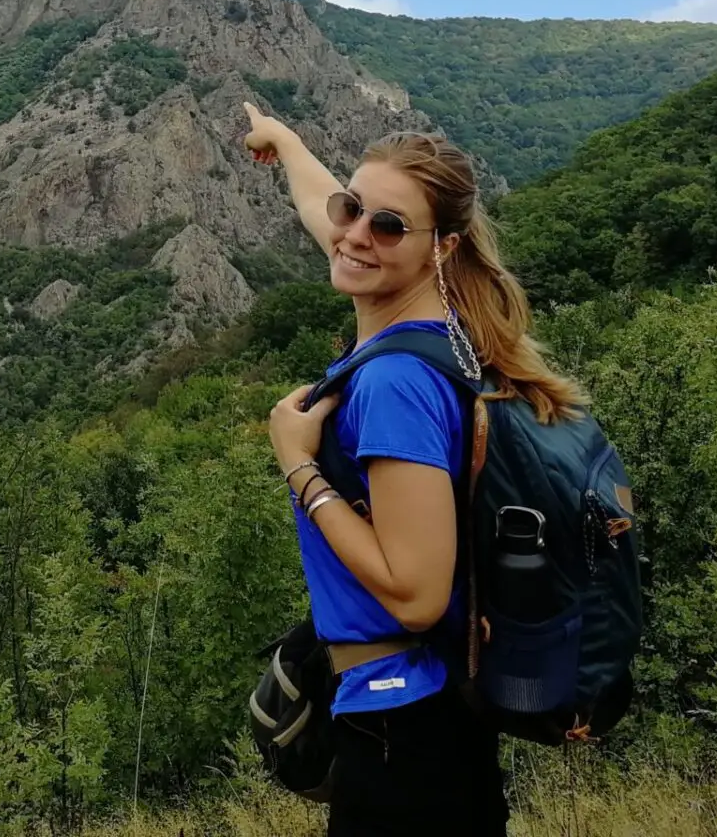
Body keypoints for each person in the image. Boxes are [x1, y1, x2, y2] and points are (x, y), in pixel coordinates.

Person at [242, 102, 586, 837]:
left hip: (403, 734)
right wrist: (289, 143)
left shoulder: (395, 382)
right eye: (352, 208)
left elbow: (417, 594)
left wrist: (299, 465)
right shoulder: (438, 331)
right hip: (419, 721)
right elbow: (334, 223)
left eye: (388, 225)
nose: (355, 233)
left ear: (442, 245)